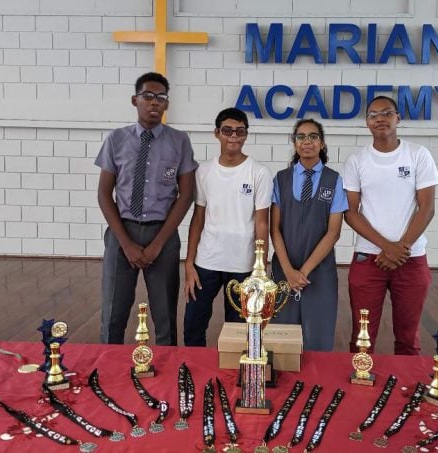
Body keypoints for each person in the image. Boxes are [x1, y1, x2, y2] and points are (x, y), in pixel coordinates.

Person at [95, 72, 197, 345]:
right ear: (135, 100)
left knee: (165, 316)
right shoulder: (116, 139)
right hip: (122, 232)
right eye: (148, 96)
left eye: (161, 98)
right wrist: (125, 243)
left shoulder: (179, 141)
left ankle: (168, 377)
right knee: (113, 313)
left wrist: (157, 244)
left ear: (166, 104)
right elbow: (105, 194)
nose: (154, 103)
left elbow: (186, 195)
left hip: (162, 235)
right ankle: (107, 369)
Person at [343, 95, 438, 355]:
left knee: (408, 337)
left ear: (398, 118)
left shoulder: (418, 155)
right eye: (373, 115)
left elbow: (427, 208)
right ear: (367, 123)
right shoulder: (357, 160)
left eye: (386, 113)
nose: (380, 119)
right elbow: (351, 212)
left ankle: (408, 391)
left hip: (411, 258)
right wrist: (388, 247)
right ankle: (359, 389)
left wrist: (402, 247)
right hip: (368, 258)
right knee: (361, 337)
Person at [182, 107, 272, 346]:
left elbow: (263, 223)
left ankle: (233, 378)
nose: (234, 136)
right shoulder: (203, 171)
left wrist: (260, 267)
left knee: (238, 330)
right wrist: (189, 263)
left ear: (246, 135)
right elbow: (198, 219)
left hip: (243, 264)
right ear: (216, 133)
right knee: (193, 324)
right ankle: (194, 372)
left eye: (239, 131)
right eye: (227, 130)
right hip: (206, 261)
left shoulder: (259, 173)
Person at [270, 119, 348, 351]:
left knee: (319, 334)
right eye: (301, 137)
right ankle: (283, 384)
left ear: (322, 144)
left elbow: (333, 232)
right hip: (284, 267)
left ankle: (318, 382)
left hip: (319, 270)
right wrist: (288, 271)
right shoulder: (280, 179)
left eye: (313, 137)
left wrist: (302, 273)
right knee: (282, 336)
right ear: (294, 144)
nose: (307, 142)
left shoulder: (334, 180)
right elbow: (274, 229)